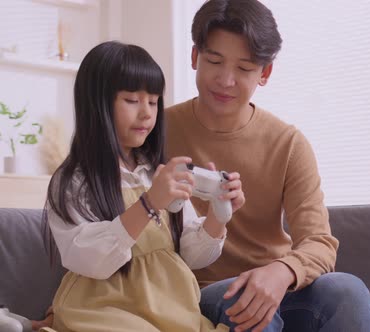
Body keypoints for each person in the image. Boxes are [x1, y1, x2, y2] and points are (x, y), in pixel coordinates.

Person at [165, 1, 370, 331]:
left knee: (348, 291)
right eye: (214, 61)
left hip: (279, 289)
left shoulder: (288, 144)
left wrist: (282, 271)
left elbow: (319, 242)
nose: (225, 79)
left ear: (264, 73)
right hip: (202, 293)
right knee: (243, 299)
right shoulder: (156, 132)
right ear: (194, 57)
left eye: (244, 68)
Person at [38, 40, 245, 332]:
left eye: (153, 101)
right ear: (96, 104)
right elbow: (88, 259)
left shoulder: (157, 173)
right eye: (133, 101)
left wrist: (218, 216)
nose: (147, 113)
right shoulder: (74, 179)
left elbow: (191, 255)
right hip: (102, 310)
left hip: (169, 309)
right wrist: (149, 204)